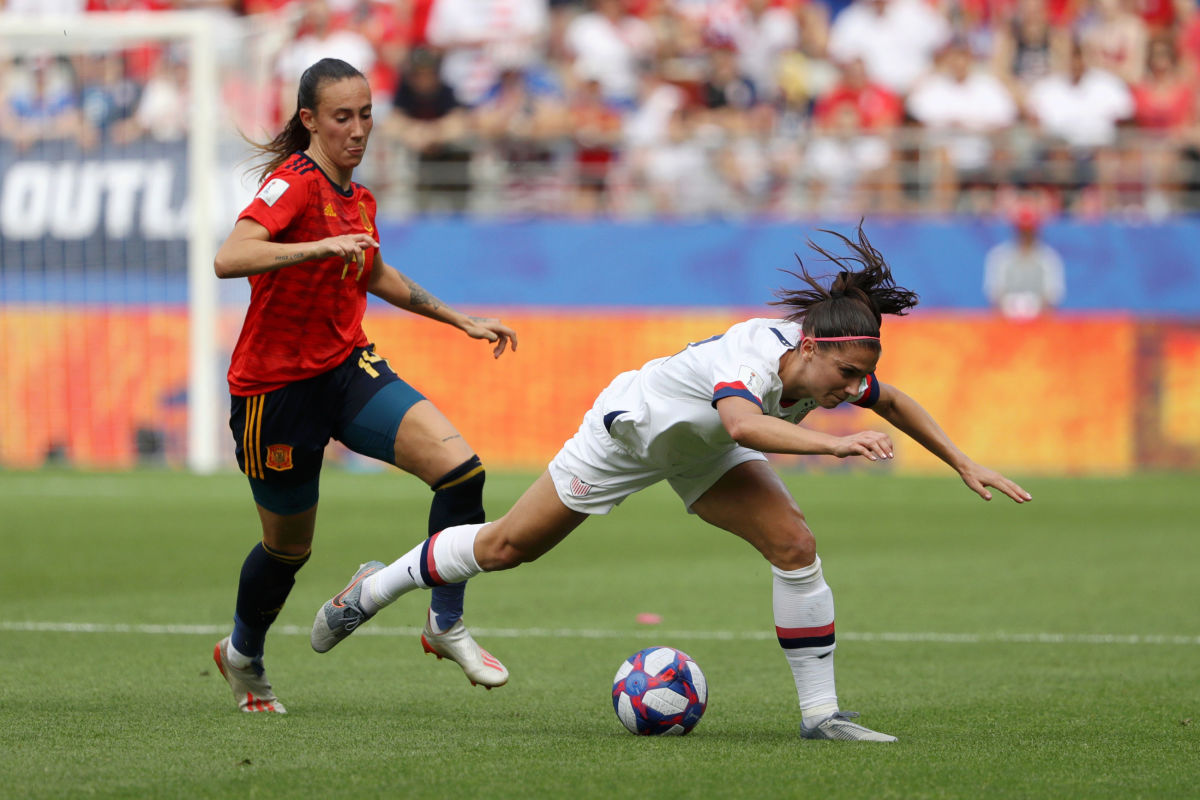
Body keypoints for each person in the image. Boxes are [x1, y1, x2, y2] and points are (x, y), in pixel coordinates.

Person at [312, 224, 1033, 741]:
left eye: (856, 378)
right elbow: (747, 426)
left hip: (703, 448)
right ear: (810, 346)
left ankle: (822, 717)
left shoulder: (834, 368)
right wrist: (832, 448)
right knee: (506, 548)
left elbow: (895, 400)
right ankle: (372, 589)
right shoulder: (753, 355)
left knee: (794, 543)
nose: (851, 390)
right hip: (629, 433)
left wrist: (961, 460)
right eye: (844, 375)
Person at [210, 58, 518, 714]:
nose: (357, 130)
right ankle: (242, 653)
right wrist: (315, 249)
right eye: (342, 117)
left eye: (366, 114)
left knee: (462, 472)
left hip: (347, 370)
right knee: (287, 549)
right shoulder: (291, 186)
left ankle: (444, 622)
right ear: (310, 121)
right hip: (274, 393)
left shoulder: (358, 197)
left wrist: (458, 319)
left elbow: (374, 272)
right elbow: (229, 257)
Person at [984, 205, 1066, 319]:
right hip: (1006, 321)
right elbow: (994, 295)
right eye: (1023, 231)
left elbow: (1053, 296)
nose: (1026, 235)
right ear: (1016, 230)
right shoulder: (1000, 257)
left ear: (1036, 231)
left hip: (1040, 321)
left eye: (1029, 231)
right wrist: (1013, 307)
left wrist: (1032, 307)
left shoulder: (1048, 259)